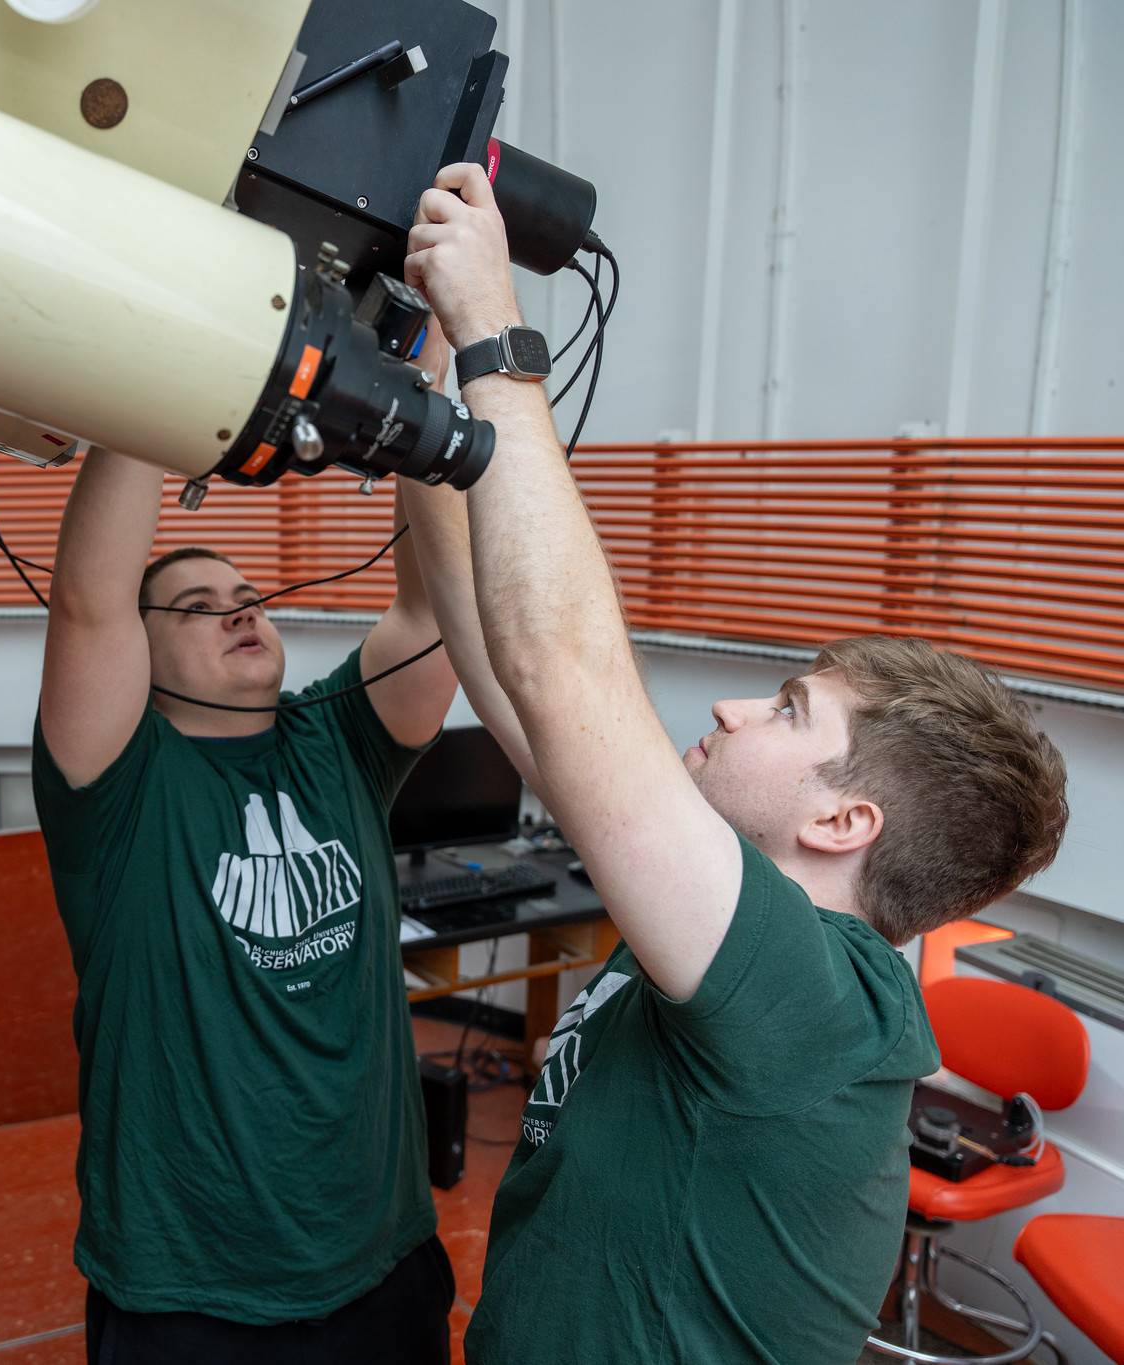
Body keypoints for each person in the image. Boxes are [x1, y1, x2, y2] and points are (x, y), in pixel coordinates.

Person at [399, 162, 1071, 1363]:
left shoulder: (809, 999)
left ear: (841, 822)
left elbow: (565, 673)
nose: (732, 706)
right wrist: (419, 414)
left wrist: (493, 338)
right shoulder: (745, 930)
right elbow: (512, 681)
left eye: (786, 709)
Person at [32, 448, 466, 1362]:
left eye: (244, 593)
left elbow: (432, 609)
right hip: (191, 1292)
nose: (238, 607)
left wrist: (431, 391)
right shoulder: (117, 781)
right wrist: (163, 390)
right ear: (136, 654)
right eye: (195, 606)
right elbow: (88, 603)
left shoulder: (341, 734)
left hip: (381, 1262)